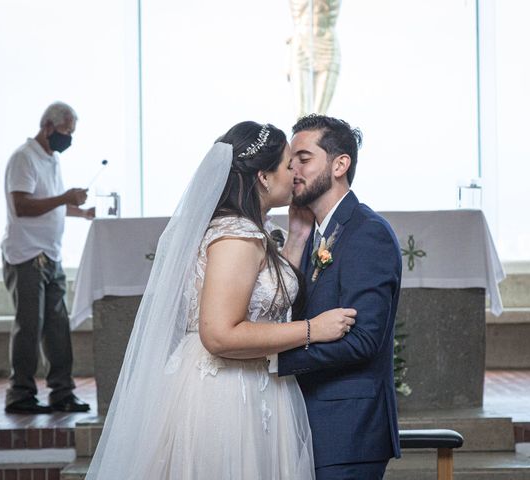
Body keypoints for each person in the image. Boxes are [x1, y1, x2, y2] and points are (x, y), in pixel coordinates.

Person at [86, 121, 357, 479]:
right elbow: (219, 335)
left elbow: (267, 298)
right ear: (263, 176)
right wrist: (312, 329)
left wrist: (297, 237)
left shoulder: (250, 230)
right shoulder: (236, 237)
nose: (295, 174)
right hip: (229, 394)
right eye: (288, 164)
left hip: (256, 382)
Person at [278, 114, 402, 479]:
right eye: (290, 162)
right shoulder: (313, 234)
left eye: (304, 159)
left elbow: (364, 340)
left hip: (347, 430)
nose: (293, 171)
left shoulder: (367, 233)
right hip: (310, 423)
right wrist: (296, 243)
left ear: (339, 164)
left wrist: (274, 358)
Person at [1, 101, 95, 414]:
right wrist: (65, 197)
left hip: (49, 255)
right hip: (26, 254)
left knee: (57, 327)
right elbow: (23, 206)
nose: (68, 139)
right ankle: (21, 394)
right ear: (48, 127)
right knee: (29, 325)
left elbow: (51, 204)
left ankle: (62, 393)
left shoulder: (50, 159)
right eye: (66, 132)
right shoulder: (24, 158)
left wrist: (80, 211)